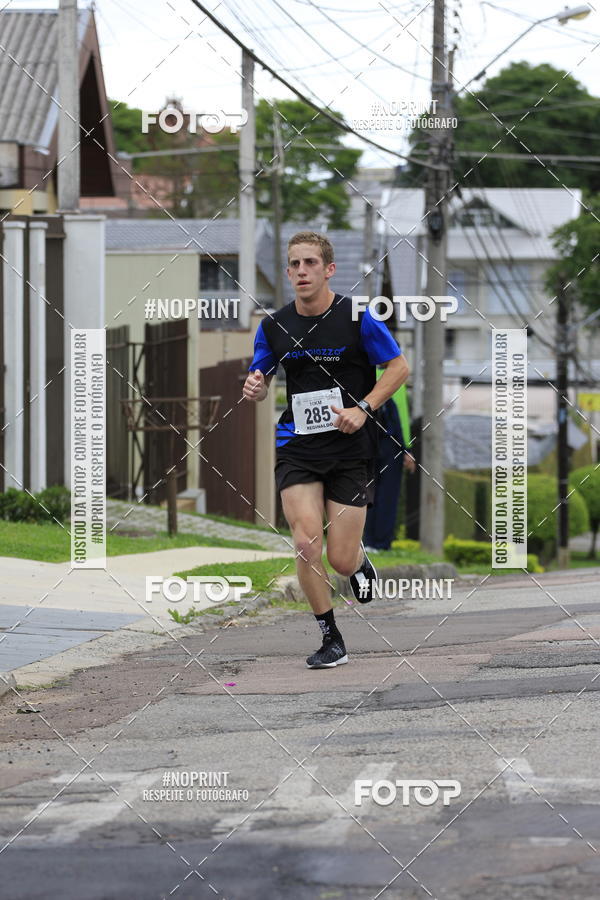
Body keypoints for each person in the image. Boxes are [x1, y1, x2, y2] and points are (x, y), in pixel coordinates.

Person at [242, 231, 409, 668]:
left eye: (310, 263)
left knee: (339, 558)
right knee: (305, 543)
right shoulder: (274, 326)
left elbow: (398, 367)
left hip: (351, 447)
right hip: (298, 445)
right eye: (294, 264)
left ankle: (358, 564)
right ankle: (330, 638)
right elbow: (258, 381)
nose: (301, 271)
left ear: (329, 270)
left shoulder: (358, 318)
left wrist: (364, 407)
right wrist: (255, 387)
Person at [363, 383, 416, 552]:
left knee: (373, 496)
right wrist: (406, 449)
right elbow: (400, 419)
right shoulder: (397, 372)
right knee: (383, 496)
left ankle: (374, 542)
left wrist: (406, 450)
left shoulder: (367, 371)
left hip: (377, 446)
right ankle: (377, 543)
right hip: (383, 446)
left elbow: (400, 418)